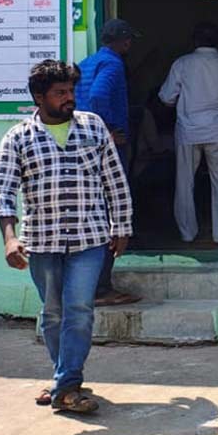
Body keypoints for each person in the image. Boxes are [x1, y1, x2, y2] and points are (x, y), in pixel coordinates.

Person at [0, 59, 132, 413]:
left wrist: (122, 225)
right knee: (52, 313)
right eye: (60, 93)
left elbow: (114, 181)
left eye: (71, 91)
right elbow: (2, 192)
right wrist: (9, 237)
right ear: (39, 97)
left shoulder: (93, 127)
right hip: (42, 241)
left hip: (90, 239)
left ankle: (67, 386)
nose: (69, 98)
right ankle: (63, 380)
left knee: (80, 310)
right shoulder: (18, 138)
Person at [76, 18, 139, 307]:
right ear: (123, 41)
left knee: (92, 212)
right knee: (109, 211)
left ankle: (90, 284)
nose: (130, 45)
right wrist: (109, 130)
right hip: (104, 146)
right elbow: (99, 95)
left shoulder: (88, 61)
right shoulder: (113, 64)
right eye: (129, 40)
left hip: (83, 144)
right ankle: (101, 288)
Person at [158, 22, 218, 244]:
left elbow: (166, 97)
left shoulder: (182, 64)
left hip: (188, 132)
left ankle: (187, 233)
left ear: (193, 41)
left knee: (185, 182)